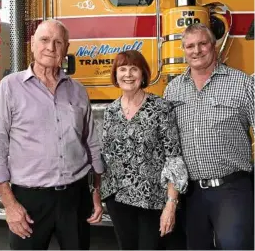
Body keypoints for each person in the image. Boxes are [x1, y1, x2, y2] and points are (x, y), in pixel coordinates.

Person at [0, 19, 104, 250]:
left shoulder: (78, 91)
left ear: (66, 49)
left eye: (58, 42)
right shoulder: (10, 87)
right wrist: (10, 206)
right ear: (32, 45)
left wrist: (96, 193)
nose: (51, 47)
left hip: (74, 197)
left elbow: (91, 144)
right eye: (45, 40)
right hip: (29, 202)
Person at [164, 23, 254, 250]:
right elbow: (170, 147)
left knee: (235, 246)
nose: (196, 51)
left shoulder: (241, 83)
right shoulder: (173, 90)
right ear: (183, 50)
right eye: (190, 46)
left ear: (214, 46)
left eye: (202, 44)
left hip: (231, 189)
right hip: (191, 193)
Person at [100, 50, 188, 250]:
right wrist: (98, 194)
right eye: (122, 69)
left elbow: (173, 158)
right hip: (117, 198)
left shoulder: (161, 108)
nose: (128, 74)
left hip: (152, 200)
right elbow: (106, 156)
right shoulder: (111, 111)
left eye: (134, 69)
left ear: (143, 74)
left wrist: (171, 204)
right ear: (115, 74)